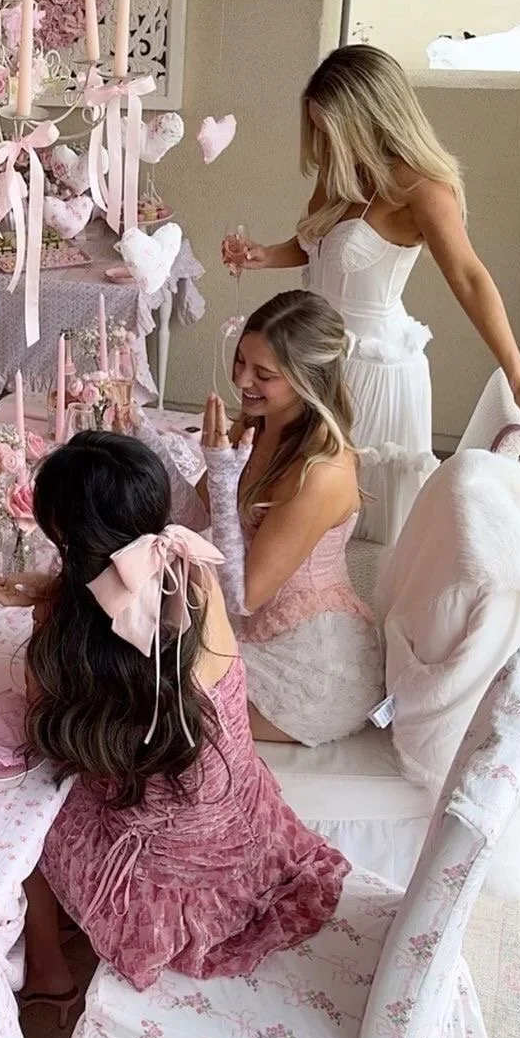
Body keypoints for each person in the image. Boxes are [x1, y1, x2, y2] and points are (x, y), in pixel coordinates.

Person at [0, 432, 349, 1004]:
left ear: (66, 535)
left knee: (16, 815)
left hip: (166, 862)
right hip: (237, 816)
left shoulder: (76, 642)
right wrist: (55, 593)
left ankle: (50, 970)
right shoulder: (187, 569)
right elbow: (124, 595)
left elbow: (45, 724)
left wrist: (50, 613)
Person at [223, 43, 520, 541]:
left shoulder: (423, 190)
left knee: (359, 521)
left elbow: (470, 277)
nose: (323, 140)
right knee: (297, 506)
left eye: (332, 128)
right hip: (312, 359)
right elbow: (314, 246)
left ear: (370, 117)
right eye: (319, 128)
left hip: (372, 370)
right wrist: (263, 255)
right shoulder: (338, 170)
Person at [194, 291, 384, 746]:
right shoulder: (259, 420)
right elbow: (198, 506)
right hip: (252, 628)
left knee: (141, 701)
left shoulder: (321, 470)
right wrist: (139, 434)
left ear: (309, 378)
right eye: (241, 361)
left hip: (310, 670)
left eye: (264, 374)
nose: (242, 380)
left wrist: (222, 477)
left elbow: (245, 596)